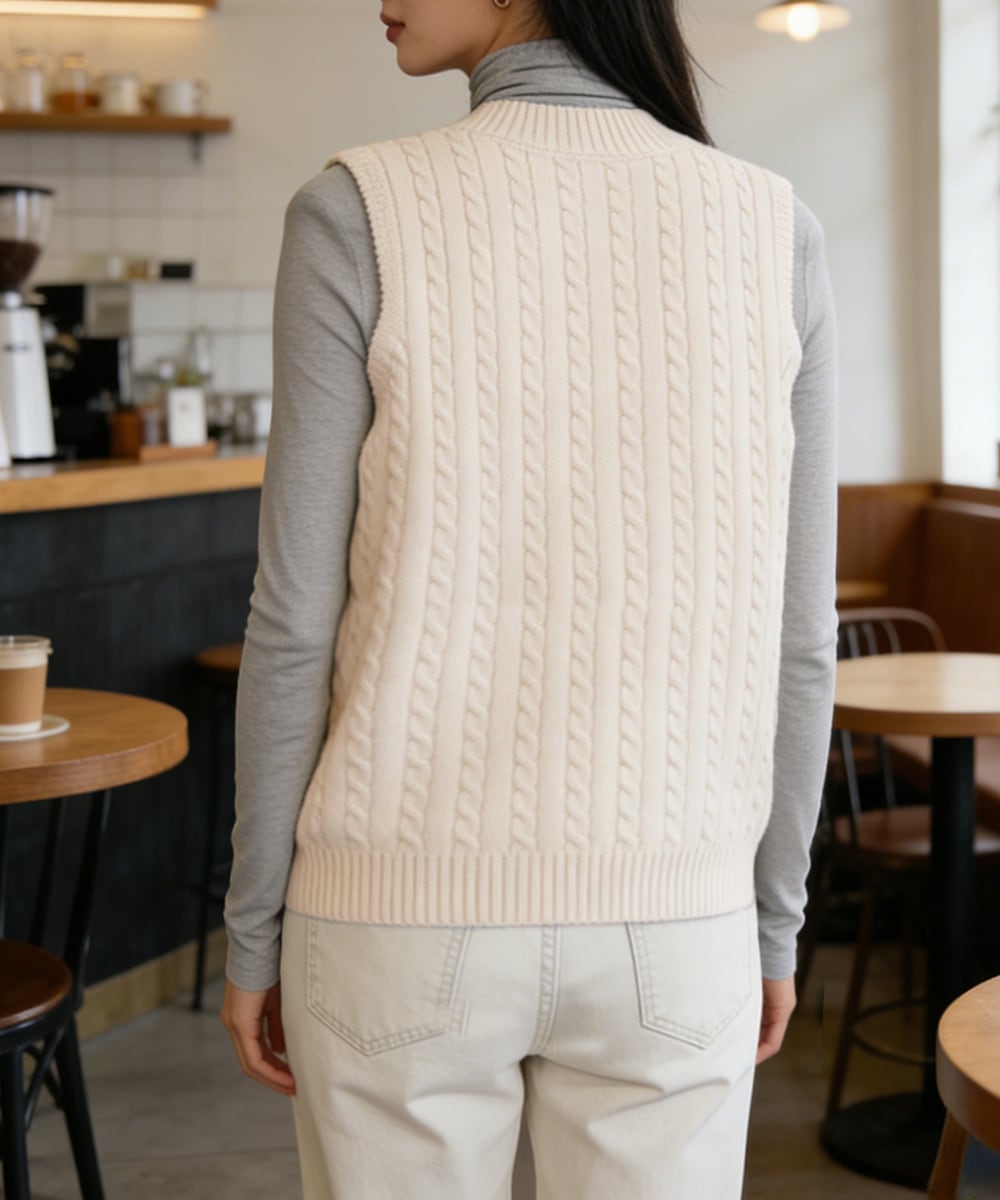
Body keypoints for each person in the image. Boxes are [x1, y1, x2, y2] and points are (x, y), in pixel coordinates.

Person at [221, 0, 839, 1195]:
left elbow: (293, 622)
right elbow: (799, 639)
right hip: (680, 921)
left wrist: (256, 929)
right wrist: (772, 919)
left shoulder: (354, 209)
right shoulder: (776, 226)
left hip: (392, 917)